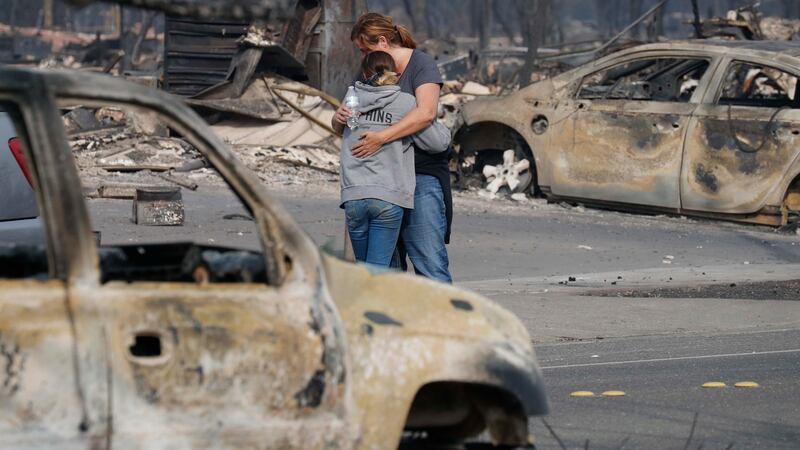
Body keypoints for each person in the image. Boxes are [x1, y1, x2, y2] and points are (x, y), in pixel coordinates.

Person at [333, 12, 453, 282]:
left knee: (428, 259)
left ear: (383, 42)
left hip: (419, 175)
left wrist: (382, 137)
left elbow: (426, 114)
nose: (362, 56)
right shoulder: (370, 71)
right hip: (384, 178)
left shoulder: (421, 65)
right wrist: (337, 117)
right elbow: (352, 118)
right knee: (389, 266)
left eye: (365, 49)